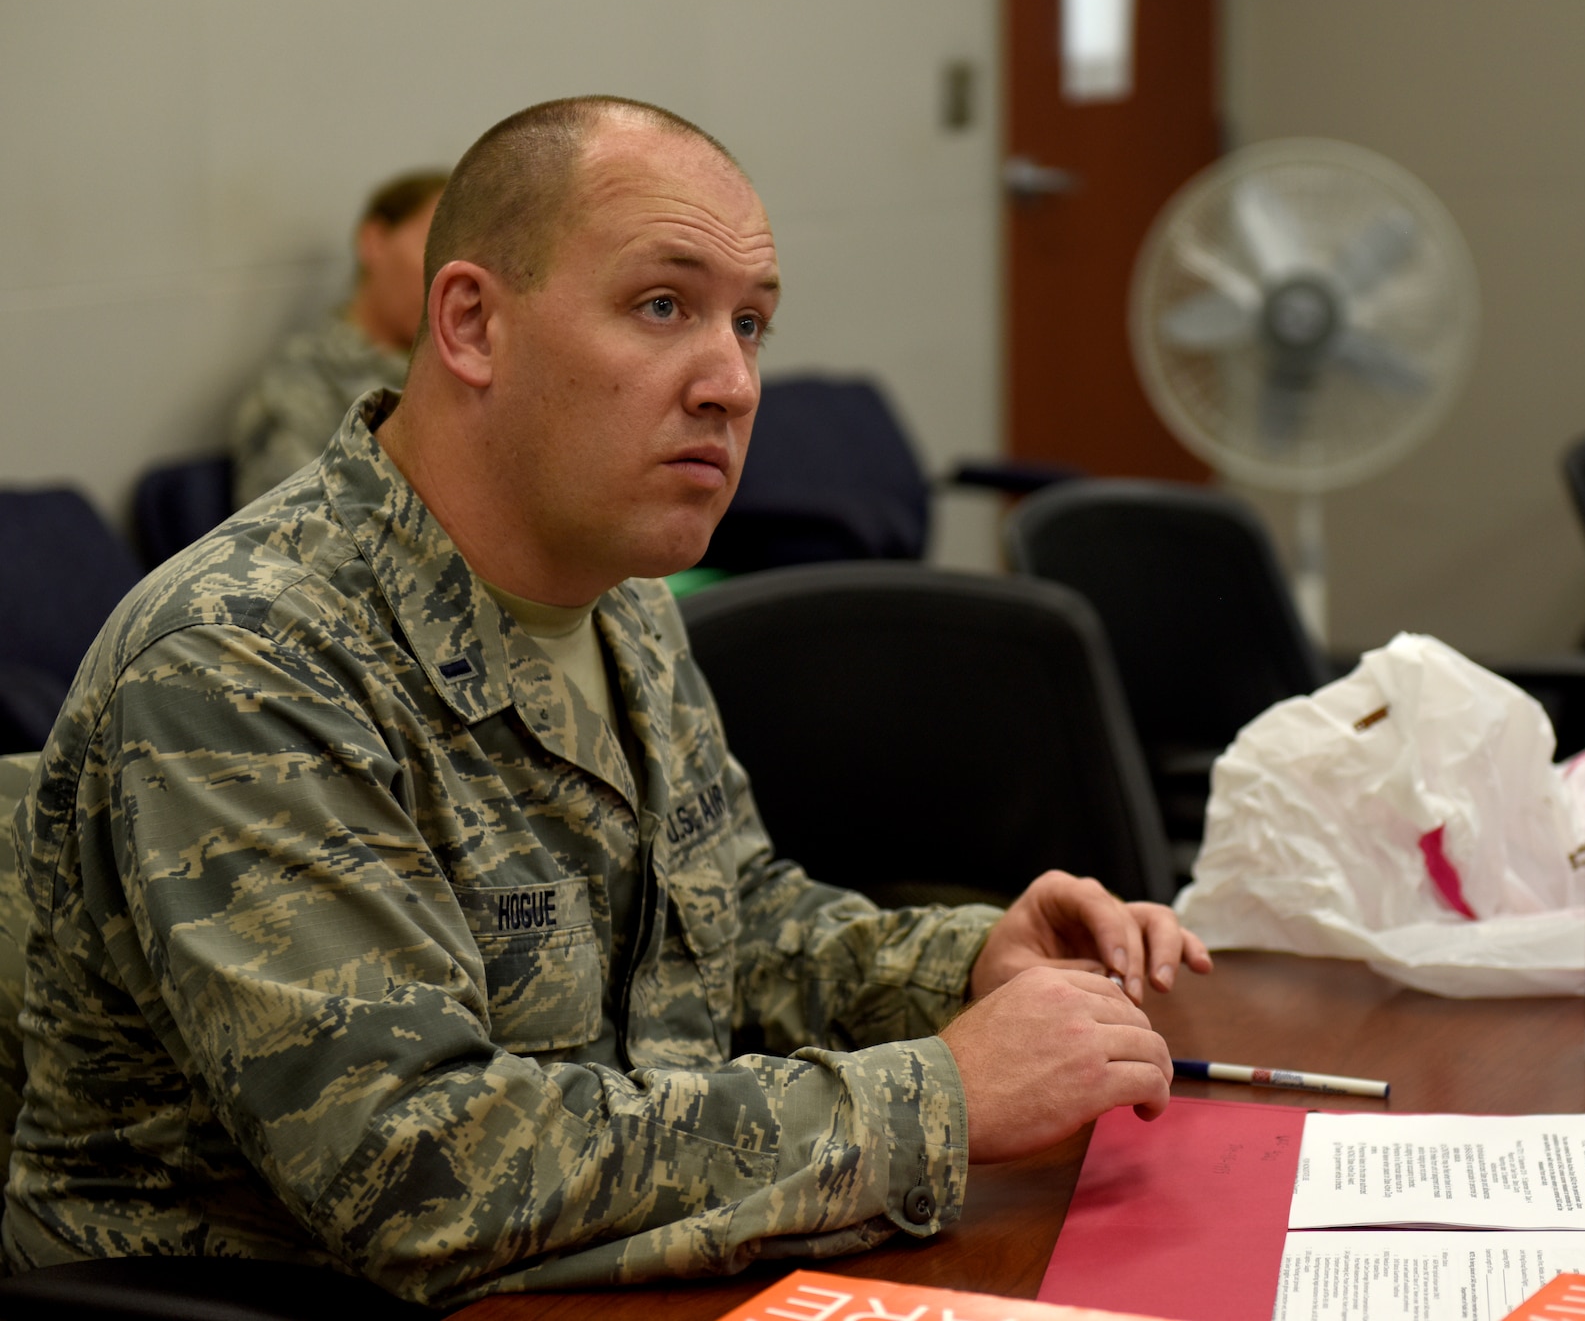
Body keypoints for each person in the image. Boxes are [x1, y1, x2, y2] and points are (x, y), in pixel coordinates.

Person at [2, 97, 1208, 1308]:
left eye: (751, 325)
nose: (730, 381)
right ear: (471, 324)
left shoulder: (615, 597)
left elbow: (725, 920)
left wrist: (957, 970)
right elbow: (418, 1170)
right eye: (663, 306)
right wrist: (939, 1096)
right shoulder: (243, 655)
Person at [227, 169, 449, 507]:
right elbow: (289, 535)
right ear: (374, 242)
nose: (447, 274)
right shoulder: (302, 380)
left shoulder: (462, 371)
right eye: (435, 247)